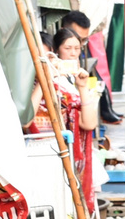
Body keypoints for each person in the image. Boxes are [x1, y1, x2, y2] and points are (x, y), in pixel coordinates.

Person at [27, 28, 100, 202]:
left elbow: (88, 124)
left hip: (64, 155)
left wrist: (82, 88)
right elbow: (26, 120)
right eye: (68, 48)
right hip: (36, 158)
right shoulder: (26, 86)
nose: (73, 54)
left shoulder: (63, 85)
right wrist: (45, 82)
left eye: (48, 58)